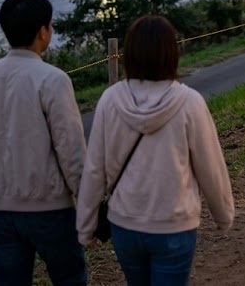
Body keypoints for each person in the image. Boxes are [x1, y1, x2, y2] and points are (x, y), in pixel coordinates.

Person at [76, 16, 235, 284]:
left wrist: (85, 225)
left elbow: (94, 169)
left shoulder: (110, 100)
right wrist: (223, 215)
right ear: (172, 53)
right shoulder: (189, 102)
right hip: (174, 225)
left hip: (125, 224)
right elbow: (211, 167)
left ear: (130, 54)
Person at [0, 0, 87, 286]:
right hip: (49, 207)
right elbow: (70, 149)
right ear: (42, 31)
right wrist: (86, 199)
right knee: (70, 277)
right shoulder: (53, 79)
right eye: (50, 26)